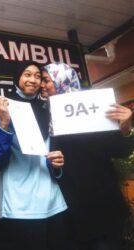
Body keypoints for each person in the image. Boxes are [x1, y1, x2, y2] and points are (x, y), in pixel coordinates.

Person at [42, 62, 134, 250]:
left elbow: (120, 151)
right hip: (66, 210)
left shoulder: (94, 111)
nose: (41, 85)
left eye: (46, 80)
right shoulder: (44, 115)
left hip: (101, 207)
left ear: (62, 81)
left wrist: (125, 127)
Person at [0, 61, 67, 250]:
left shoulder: (49, 109)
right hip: (20, 205)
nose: (33, 80)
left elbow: (54, 154)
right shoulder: (5, 109)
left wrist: (57, 165)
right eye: (27, 74)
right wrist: (3, 123)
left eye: (38, 76)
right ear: (17, 78)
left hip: (53, 201)